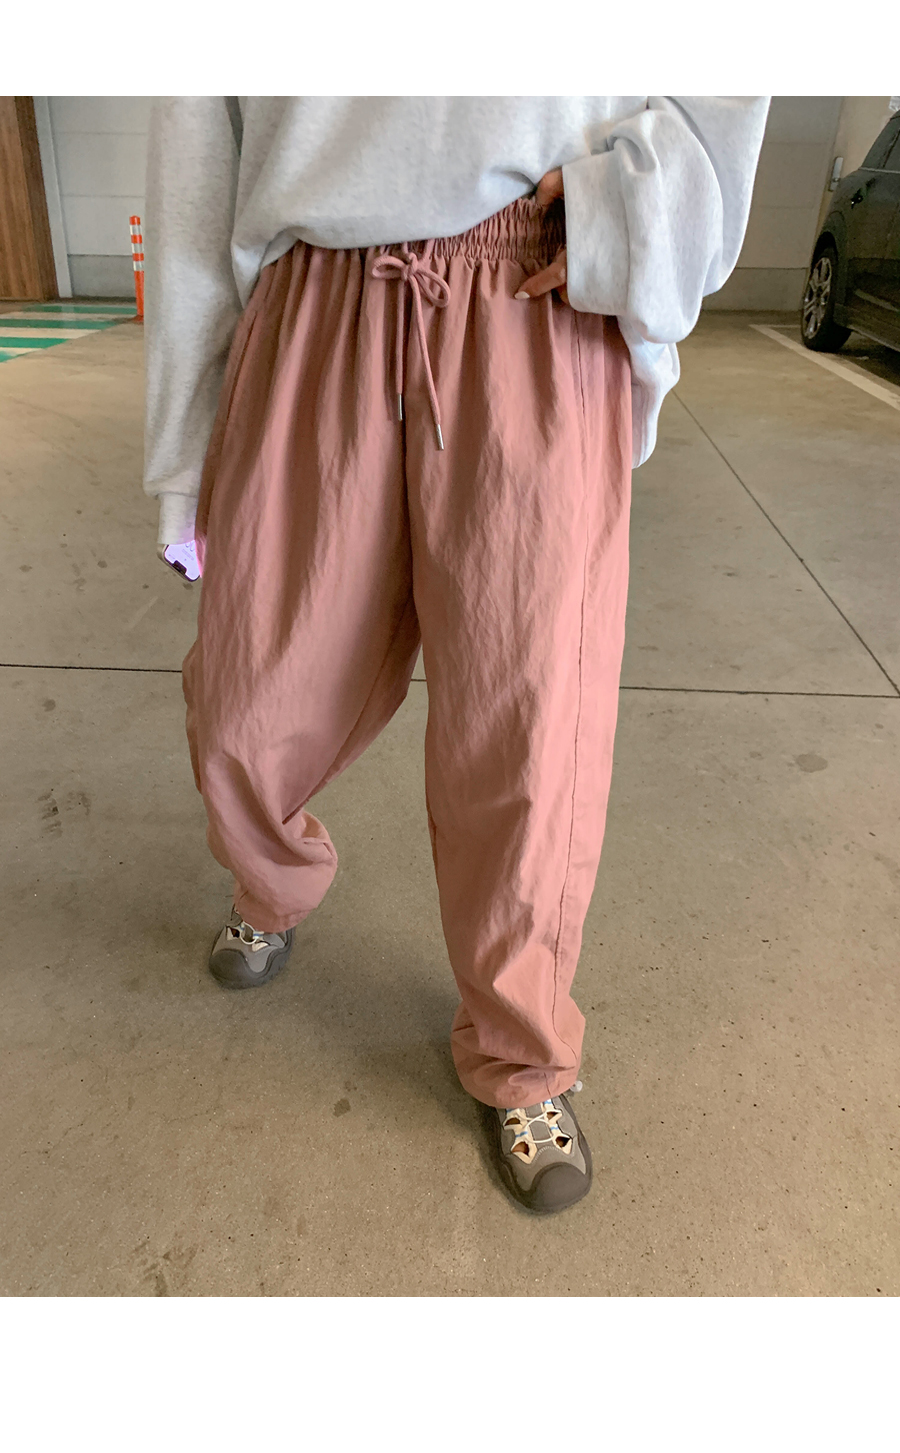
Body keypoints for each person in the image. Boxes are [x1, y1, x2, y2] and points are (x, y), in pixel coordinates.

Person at [144, 96, 769, 1214]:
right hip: (310, 294)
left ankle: (523, 1049)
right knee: (249, 690)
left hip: (533, 286)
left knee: (529, 728)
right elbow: (195, 139)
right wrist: (184, 457)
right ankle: (271, 875)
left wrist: (645, 212)